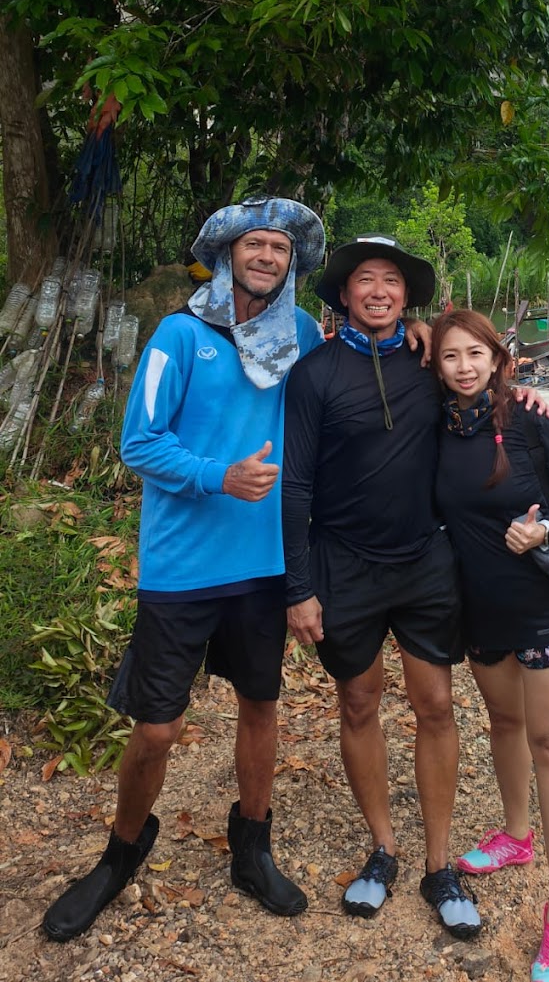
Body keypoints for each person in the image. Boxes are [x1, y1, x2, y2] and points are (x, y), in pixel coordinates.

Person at [42, 197, 328, 943]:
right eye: (254, 244)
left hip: (263, 565)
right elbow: (139, 442)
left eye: (279, 247)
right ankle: (121, 851)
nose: (267, 255)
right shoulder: (180, 333)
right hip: (182, 566)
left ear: (290, 261)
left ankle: (252, 844)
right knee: (160, 726)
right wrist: (216, 475)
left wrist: (432, 347)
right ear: (228, 252)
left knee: (261, 705)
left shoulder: (299, 332)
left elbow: (348, 383)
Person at [282, 237, 549, 940]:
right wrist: (298, 585)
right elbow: (296, 483)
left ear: (408, 297)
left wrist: (519, 392)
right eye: (364, 280)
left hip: (425, 560)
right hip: (343, 562)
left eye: (392, 281)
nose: (378, 290)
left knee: (436, 703)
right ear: (343, 295)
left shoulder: (428, 359)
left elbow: (482, 381)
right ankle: (383, 848)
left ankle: (439, 862)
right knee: (358, 698)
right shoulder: (312, 374)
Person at [432, 309, 549, 982]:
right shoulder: (435, 425)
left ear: (499, 359)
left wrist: (546, 526)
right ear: (435, 365)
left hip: (544, 609)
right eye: (449, 356)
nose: (465, 366)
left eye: (476, 353)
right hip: (480, 612)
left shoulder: (529, 417)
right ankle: (516, 835)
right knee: (503, 722)